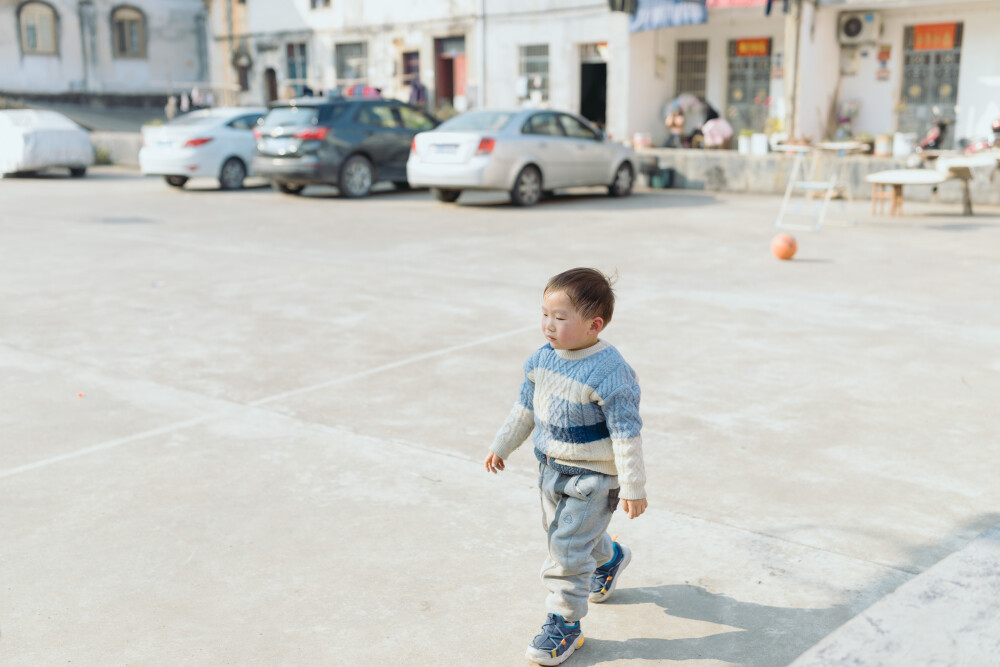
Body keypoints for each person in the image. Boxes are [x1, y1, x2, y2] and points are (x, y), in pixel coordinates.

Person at [485, 267, 648, 666]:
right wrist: (501, 445)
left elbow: (627, 434)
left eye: (560, 318)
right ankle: (608, 560)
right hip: (550, 470)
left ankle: (565, 624)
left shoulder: (610, 373)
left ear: (594, 325)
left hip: (594, 479)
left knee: (565, 550)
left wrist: (633, 486)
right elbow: (524, 409)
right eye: (544, 314)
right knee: (568, 537)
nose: (548, 325)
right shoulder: (541, 360)